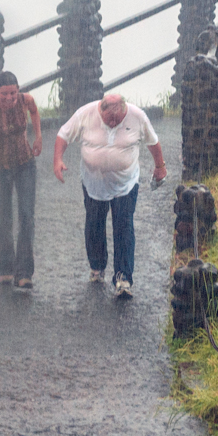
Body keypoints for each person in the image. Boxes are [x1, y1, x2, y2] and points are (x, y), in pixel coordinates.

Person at [53, 93, 167, 296]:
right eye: (109, 119)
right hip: (93, 182)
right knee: (94, 223)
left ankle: (123, 278)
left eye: (118, 119)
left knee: (124, 225)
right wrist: (58, 160)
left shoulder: (137, 116)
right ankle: (97, 266)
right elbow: (63, 135)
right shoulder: (85, 114)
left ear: (124, 109)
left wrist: (160, 167)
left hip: (126, 182)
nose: (114, 123)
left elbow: (153, 142)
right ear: (101, 110)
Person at [0, 72, 42, 289]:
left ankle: (24, 273)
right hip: (0, 167)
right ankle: (5, 268)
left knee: (26, 216)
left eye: (13, 93)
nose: (9, 98)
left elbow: (34, 112)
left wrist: (38, 136)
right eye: (4, 94)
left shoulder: (26, 100)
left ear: (18, 90)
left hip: (25, 164)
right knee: (4, 217)